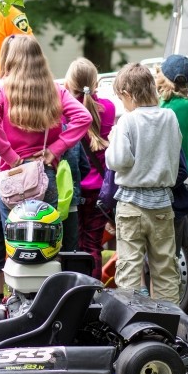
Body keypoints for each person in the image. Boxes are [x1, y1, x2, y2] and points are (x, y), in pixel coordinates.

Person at [0, 35, 92, 227]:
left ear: (11, 59)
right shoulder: (54, 90)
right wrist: (55, 149)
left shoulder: (0, 88)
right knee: (46, 239)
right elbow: (84, 117)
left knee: (15, 243)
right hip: (44, 174)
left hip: (12, 174)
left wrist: (9, 154)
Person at [105, 63, 182, 303]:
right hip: (161, 203)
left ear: (127, 95)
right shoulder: (169, 117)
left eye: (121, 99)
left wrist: (113, 139)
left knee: (129, 268)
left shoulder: (127, 122)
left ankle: (132, 326)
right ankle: (172, 326)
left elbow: (119, 161)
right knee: (165, 269)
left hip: (131, 204)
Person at [64, 57, 116, 280]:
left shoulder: (64, 111)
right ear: (95, 83)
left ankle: (73, 292)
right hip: (100, 192)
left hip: (72, 190)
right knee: (93, 245)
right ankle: (94, 294)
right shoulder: (110, 108)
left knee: (71, 246)